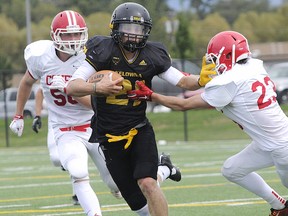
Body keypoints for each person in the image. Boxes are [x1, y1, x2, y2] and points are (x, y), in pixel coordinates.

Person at [61, 2, 215, 215]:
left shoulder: (152, 55)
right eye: (128, 29)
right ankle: (165, 169)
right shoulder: (103, 50)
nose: (134, 35)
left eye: (139, 30)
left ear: (146, 32)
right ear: (115, 29)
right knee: (139, 206)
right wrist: (98, 87)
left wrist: (201, 80)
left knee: (148, 184)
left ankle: (159, 172)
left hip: (138, 130)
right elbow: (72, 86)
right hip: (108, 136)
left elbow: (181, 81)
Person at [128, 30, 288, 216]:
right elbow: (220, 89)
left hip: (281, 147)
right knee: (232, 169)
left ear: (228, 55)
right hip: (270, 142)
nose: (214, 63)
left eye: (215, 58)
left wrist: (151, 95)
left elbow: (184, 105)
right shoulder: (254, 66)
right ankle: (279, 206)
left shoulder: (229, 81)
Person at [9, 10, 122, 216]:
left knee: (116, 183)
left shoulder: (91, 58)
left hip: (93, 125)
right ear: (54, 36)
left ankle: (158, 171)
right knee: (78, 172)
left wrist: (71, 90)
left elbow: (96, 105)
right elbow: (26, 82)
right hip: (64, 129)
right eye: (67, 35)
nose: (73, 40)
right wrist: (18, 115)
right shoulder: (40, 56)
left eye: (77, 34)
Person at [32, 87, 79, 205]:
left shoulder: (78, 73)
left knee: (76, 161)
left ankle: (77, 194)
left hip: (79, 124)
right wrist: (37, 115)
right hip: (56, 125)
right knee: (56, 159)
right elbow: (40, 91)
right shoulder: (51, 73)